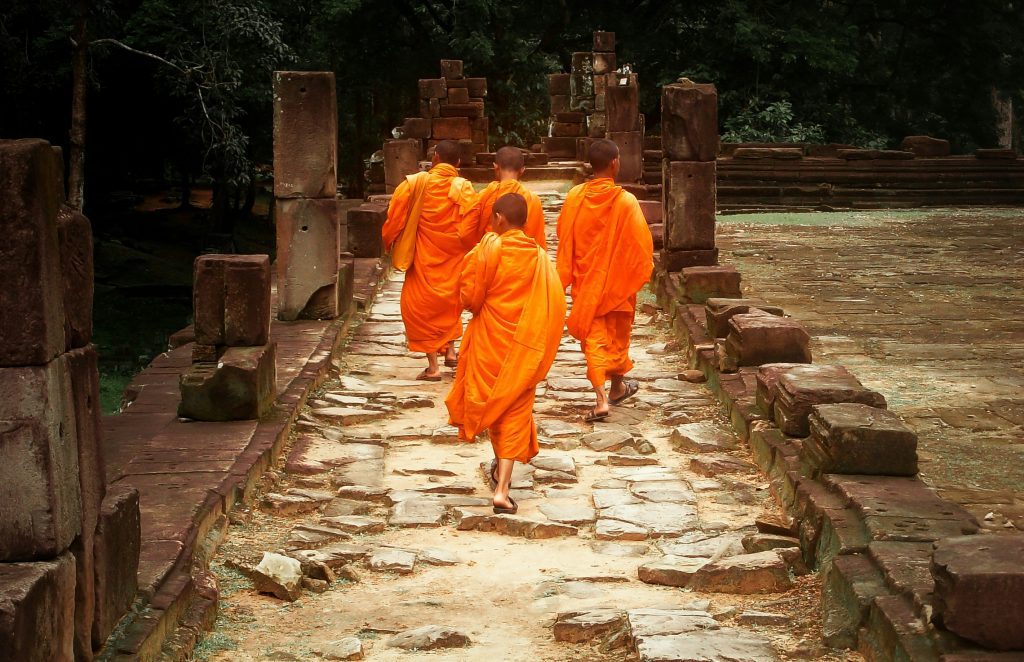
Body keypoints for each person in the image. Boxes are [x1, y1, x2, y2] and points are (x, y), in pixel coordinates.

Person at [446, 192, 566, 514]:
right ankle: (502, 488)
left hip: (489, 341)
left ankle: (501, 476)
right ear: (525, 222)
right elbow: (556, 304)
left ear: (499, 218)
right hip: (525, 346)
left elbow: (469, 298)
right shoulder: (540, 258)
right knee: (515, 407)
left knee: (495, 403)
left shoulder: (485, 251)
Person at [555, 138, 654, 422]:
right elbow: (641, 245)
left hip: (587, 283)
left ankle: (611, 392)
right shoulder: (625, 201)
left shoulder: (575, 197)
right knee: (617, 336)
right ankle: (606, 395)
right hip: (617, 284)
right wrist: (630, 272)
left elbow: (564, 236)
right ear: (614, 163)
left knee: (597, 340)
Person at [382, 140, 480, 380]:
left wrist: (390, 243)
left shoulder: (414, 184)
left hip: (424, 261)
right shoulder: (464, 188)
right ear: (457, 163)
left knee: (419, 309)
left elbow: (393, 221)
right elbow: (472, 227)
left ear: (435, 158)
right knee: (450, 304)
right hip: (454, 259)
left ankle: (433, 366)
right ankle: (451, 351)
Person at [471, 146, 547, 250]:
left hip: (490, 257)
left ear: (495, 167)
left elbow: (469, 233)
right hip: (523, 258)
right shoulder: (533, 200)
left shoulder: (484, 196)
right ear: (522, 170)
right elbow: (537, 241)